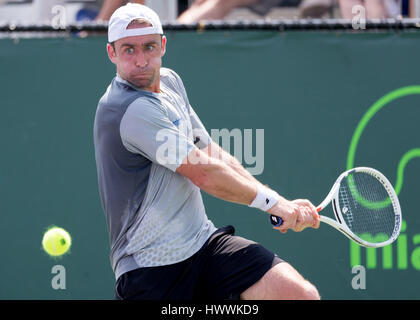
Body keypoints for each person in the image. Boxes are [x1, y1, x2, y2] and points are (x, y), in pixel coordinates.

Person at [94, 3, 321, 300]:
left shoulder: (171, 82)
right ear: (112, 53)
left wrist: (280, 202)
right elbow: (204, 172)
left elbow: (212, 153)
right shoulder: (127, 110)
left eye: (149, 47)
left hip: (203, 247)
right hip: (150, 273)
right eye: (129, 50)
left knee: (298, 295)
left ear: (162, 45)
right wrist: (274, 205)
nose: (141, 60)